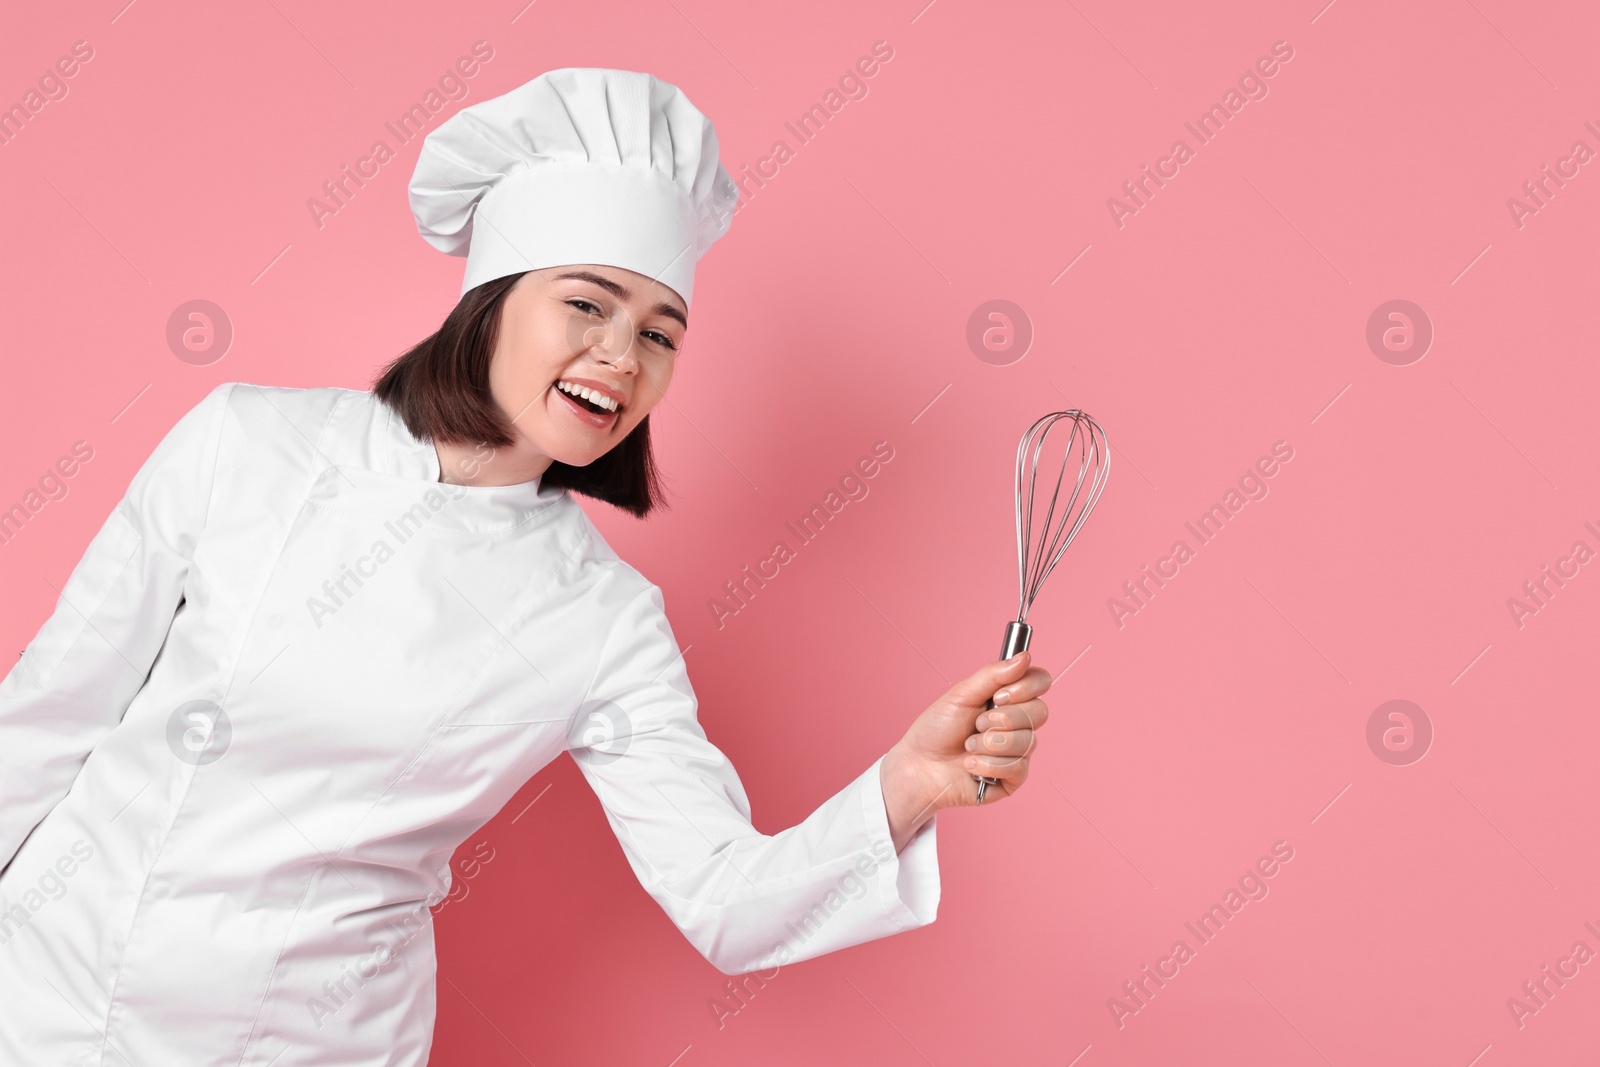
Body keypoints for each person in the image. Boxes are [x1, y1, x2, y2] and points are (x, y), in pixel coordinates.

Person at [0, 67, 1052, 1065]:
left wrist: (906, 784)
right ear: (491, 297)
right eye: (586, 305)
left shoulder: (601, 618)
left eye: (660, 333)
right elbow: (50, 716)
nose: (621, 358)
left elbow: (725, 896)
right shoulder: (245, 442)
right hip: (51, 997)